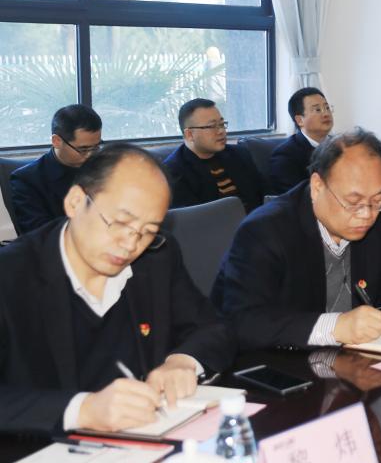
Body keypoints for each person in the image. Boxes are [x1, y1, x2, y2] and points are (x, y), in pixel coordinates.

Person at [0, 144, 235, 435]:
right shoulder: (11, 276)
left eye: (148, 231)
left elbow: (213, 328)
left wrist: (183, 362)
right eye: (121, 222)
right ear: (75, 202)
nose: (131, 243)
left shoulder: (156, 257)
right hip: (43, 452)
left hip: (149, 437)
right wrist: (83, 410)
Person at [213, 128, 381, 351]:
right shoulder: (265, 231)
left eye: (377, 201)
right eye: (353, 202)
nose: (366, 215)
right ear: (317, 186)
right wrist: (336, 326)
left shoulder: (370, 220)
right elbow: (243, 320)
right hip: (277, 370)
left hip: (346, 364)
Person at [10, 104, 103, 235]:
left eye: (96, 147)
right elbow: (40, 234)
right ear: (57, 141)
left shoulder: (104, 168)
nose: (90, 155)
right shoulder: (27, 180)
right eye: (83, 149)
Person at [163, 99, 265, 213]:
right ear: (189, 134)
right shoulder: (173, 172)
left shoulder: (239, 154)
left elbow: (264, 197)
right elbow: (192, 218)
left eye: (221, 124)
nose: (221, 131)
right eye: (212, 126)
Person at [269, 87, 335, 194]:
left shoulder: (341, 145)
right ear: (300, 120)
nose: (326, 114)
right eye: (318, 110)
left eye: (327, 108)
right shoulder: (285, 156)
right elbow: (297, 197)